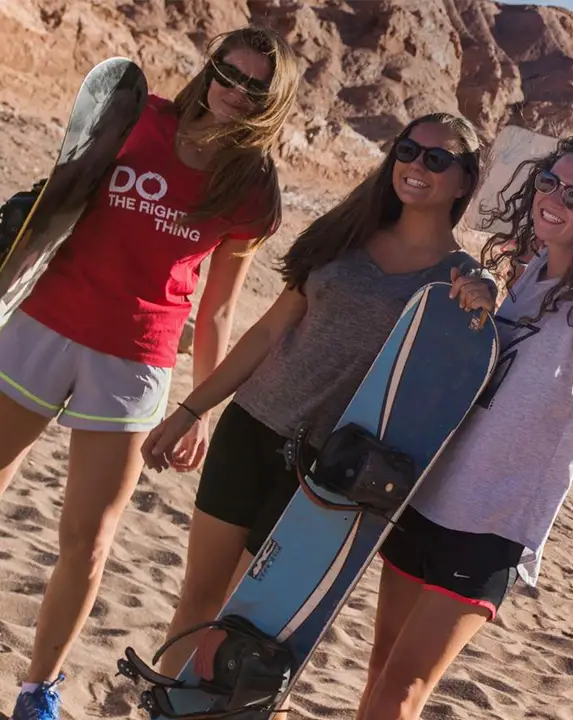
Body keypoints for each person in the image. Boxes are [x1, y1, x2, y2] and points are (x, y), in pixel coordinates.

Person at [0, 26, 301, 720]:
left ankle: (37, 688)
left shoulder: (252, 190)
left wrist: (199, 407)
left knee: (90, 540)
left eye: (255, 85)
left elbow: (219, 307)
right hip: (45, 325)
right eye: (228, 72)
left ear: (272, 99)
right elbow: (55, 205)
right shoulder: (138, 117)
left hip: (134, 361)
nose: (234, 90)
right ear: (211, 66)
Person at [137, 111, 493, 689]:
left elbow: (456, 380)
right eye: (407, 150)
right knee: (196, 600)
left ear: (464, 181)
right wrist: (189, 409)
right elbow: (267, 331)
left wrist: (482, 305)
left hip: (323, 471)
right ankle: (161, 704)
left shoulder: (460, 281)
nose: (416, 166)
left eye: (437, 159)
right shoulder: (345, 234)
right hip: (249, 428)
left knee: (246, 628)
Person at [354, 135, 573, 720]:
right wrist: (480, 307)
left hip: (490, 525)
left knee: (400, 695)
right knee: (380, 676)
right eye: (549, 182)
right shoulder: (526, 274)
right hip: (428, 496)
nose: (554, 198)